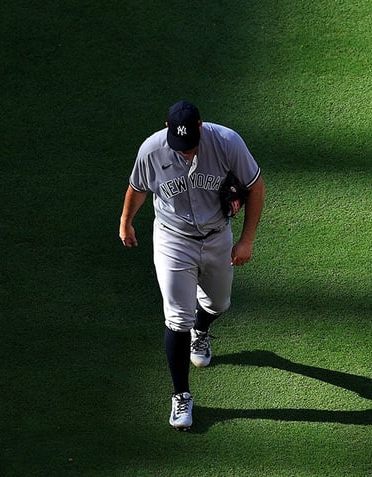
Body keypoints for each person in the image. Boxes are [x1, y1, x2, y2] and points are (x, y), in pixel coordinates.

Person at [119, 101, 265, 430]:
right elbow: (138, 187)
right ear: (167, 129)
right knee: (176, 319)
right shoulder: (152, 149)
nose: (185, 153)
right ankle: (181, 396)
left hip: (217, 236)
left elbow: (256, 187)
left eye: (191, 146)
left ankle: (203, 329)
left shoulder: (228, 142)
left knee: (218, 303)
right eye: (179, 146)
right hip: (173, 240)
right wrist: (126, 222)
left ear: (200, 127)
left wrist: (247, 240)